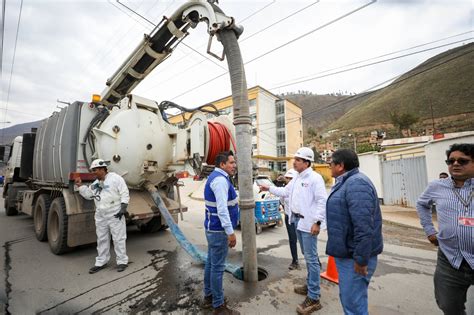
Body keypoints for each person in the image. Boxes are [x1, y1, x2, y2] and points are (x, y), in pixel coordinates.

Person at [260, 147, 327, 314]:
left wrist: (317, 222)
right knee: (307, 255)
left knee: (311, 259)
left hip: (308, 223)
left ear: (306, 162)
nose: (294, 162)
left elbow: (321, 201)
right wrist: (268, 188)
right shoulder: (296, 178)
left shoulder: (315, 178)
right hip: (296, 220)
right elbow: (285, 192)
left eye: (298, 159)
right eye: (295, 159)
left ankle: (314, 297)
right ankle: (310, 285)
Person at [416, 143, 474, 315]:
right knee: (447, 304)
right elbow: (421, 204)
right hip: (450, 258)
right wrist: (429, 231)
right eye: (451, 161)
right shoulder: (437, 186)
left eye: (462, 161)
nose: (455, 164)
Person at [326, 149, 383, 315]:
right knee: (352, 300)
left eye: (331, 163)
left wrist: (361, 259)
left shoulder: (357, 184)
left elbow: (364, 226)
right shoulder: (346, 182)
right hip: (348, 254)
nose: (329, 166)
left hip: (354, 258)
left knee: (353, 305)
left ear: (341, 166)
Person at [75, 159, 130, 273]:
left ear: (102, 169)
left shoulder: (115, 178)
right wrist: (80, 186)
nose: (93, 173)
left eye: (95, 170)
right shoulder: (96, 184)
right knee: (102, 239)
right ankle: (101, 262)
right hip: (101, 215)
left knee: (118, 238)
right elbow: (89, 195)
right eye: (92, 170)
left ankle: (122, 262)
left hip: (115, 214)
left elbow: (124, 192)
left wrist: (123, 207)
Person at [201, 151, 240, 315]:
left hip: (213, 228)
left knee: (211, 264)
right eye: (231, 162)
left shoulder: (218, 178)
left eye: (234, 162)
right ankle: (218, 306)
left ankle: (209, 296)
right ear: (222, 164)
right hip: (219, 231)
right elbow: (222, 210)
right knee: (217, 268)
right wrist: (230, 233)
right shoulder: (220, 181)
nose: (234, 165)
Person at [281, 169, 300, 270]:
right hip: (289, 217)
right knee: (292, 240)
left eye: (290, 178)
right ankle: (295, 261)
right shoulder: (285, 190)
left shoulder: (299, 190)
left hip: (300, 218)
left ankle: (314, 262)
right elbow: (282, 202)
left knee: (304, 241)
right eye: (287, 178)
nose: (288, 180)